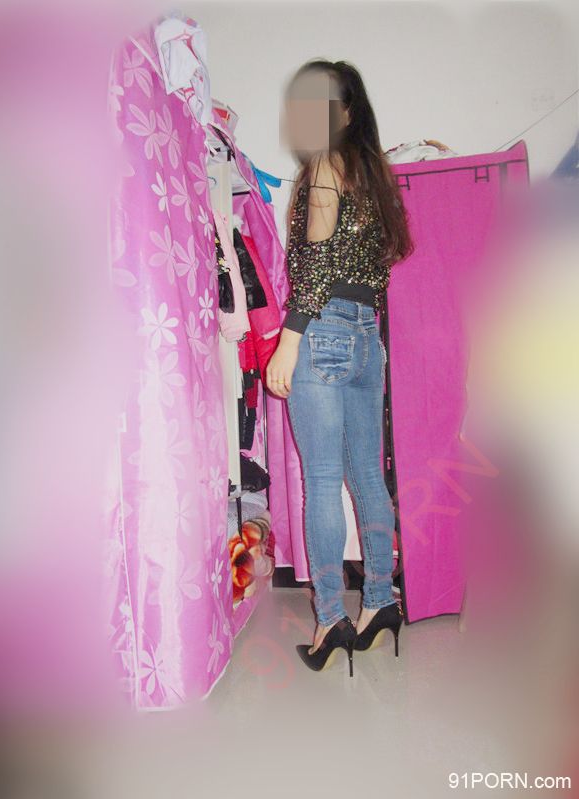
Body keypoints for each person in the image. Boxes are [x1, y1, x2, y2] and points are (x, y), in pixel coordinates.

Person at [266, 59, 414, 675]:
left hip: (322, 331)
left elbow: (319, 264)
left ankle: (330, 618)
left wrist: (289, 340)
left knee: (324, 481)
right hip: (366, 338)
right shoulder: (372, 177)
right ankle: (380, 600)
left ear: (345, 113)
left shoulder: (324, 166)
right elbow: (371, 271)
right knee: (368, 478)